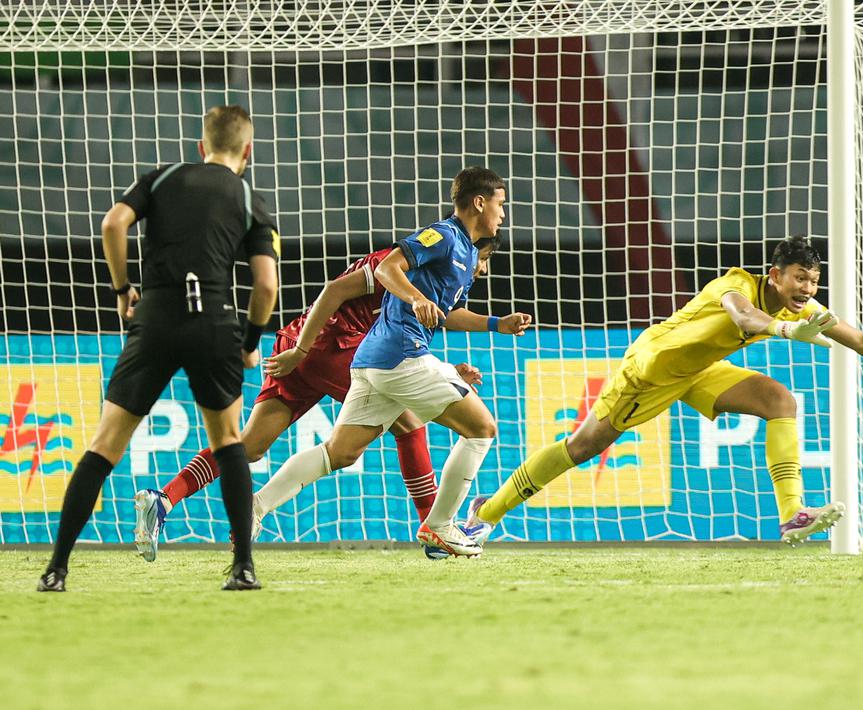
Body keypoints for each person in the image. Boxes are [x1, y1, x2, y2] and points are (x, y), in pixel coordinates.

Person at [463, 235, 863, 546]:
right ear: (775, 273)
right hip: (653, 368)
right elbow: (743, 315)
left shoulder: (802, 310)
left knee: (779, 399)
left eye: (814, 281)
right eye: (799, 278)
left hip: (698, 370)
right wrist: (784, 330)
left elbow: (860, 338)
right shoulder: (733, 283)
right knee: (583, 447)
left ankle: (792, 514)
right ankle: (485, 513)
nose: (807, 289)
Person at [38, 105, 279, 592]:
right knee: (228, 442)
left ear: (200, 146)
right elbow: (266, 286)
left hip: (157, 316)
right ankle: (243, 568)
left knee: (106, 444)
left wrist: (123, 290)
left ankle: (56, 569)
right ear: (248, 152)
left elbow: (112, 224)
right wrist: (250, 343)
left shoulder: (162, 177)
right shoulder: (251, 197)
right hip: (213, 320)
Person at [130, 246, 484, 562]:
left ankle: (163, 499)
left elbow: (409, 338)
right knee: (409, 423)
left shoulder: (419, 279)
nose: (478, 270)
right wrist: (302, 351)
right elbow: (335, 292)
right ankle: (435, 529)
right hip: (328, 347)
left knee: (250, 446)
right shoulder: (395, 264)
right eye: (481, 260)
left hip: (301, 342)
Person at [249, 166, 531, 558]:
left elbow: (448, 313)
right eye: (500, 204)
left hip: (374, 362)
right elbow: (386, 268)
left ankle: (255, 505)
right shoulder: (444, 235)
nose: (503, 214)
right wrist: (415, 297)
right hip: (400, 357)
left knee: (339, 452)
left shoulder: (467, 253)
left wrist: (498, 324)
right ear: (479, 202)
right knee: (482, 428)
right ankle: (440, 525)